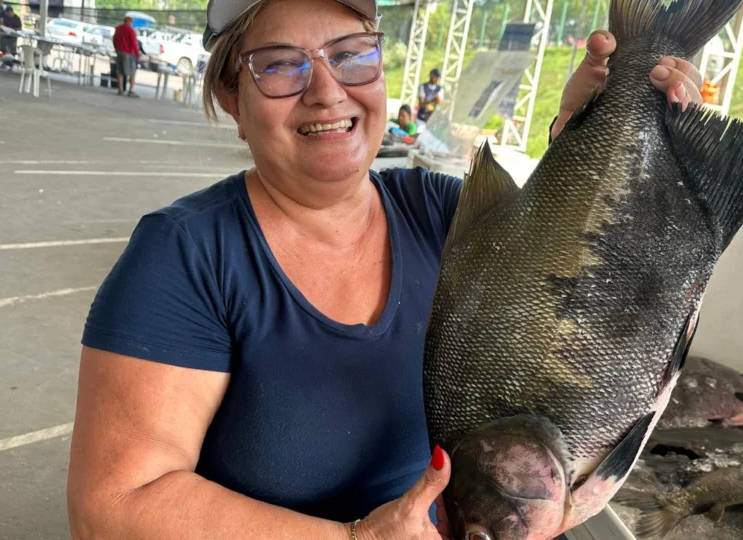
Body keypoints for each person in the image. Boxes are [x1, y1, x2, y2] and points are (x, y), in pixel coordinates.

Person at [64, 0, 704, 538]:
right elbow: (112, 506)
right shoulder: (187, 255)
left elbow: (589, 278)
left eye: (350, 53)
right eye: (281, 65)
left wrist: (589, 128)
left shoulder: (440, 211)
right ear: (231, 97)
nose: (326, 89)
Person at [111, 16, 140, 97]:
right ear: (130, 22)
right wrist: (138, 54)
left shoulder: (118, 28)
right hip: (129, 53)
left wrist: (116, 49)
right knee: (132, 72)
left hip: (119, 52)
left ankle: (120, 89)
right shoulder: (131, 30)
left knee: (120, 71)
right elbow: (134, 43)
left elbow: (114, 39)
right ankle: (130, 90)